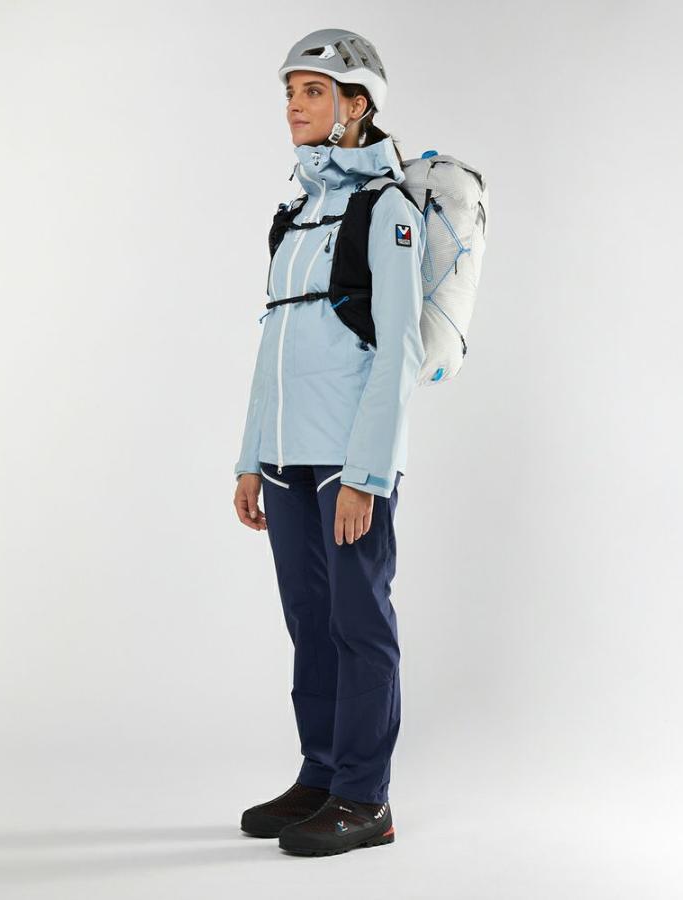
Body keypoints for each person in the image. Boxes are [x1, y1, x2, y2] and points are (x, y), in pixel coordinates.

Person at [233, 28, 426, 857]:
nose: (294, 106)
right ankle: (320, 774)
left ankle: (363, 796)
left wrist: (367, 473)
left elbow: (398, 350)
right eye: (289, 92)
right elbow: (274, 343)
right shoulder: (296, 214)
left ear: (357, 104)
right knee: (311, 624)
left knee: (358, 623)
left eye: (312, 91)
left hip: (347, 460)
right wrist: (250, 456)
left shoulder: (386, 210)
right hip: (285, 458)